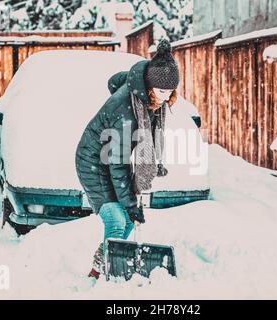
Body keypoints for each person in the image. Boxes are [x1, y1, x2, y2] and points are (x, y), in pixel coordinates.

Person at [75, 39, 180, 280]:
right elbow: (118, 162)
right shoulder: (126, 109)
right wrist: (131, 204)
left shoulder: (147, 98)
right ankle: (97, 276)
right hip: (93, 162)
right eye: (161, 91)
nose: (166, 97)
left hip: (111, 158)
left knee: (129, 222)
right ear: (150, 85)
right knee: (117, 218)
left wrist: (132, 201)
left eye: (170, 91)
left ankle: (103, 268)